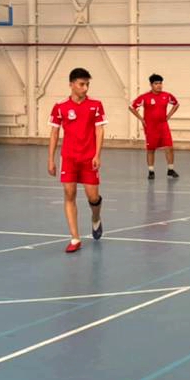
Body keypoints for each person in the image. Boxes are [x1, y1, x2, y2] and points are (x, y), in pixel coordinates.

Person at [48, 67, 106, 254]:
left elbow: (99, 130)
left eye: (87, 84)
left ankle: (95, 218)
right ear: (71, 85)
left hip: (89, 158)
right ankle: (75, 238)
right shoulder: (60, 107)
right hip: (69, 158)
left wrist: (97, 155)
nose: (85, 88)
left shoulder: (96, 105)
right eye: (82, 84)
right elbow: (54, 133)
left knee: (93, 197)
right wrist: (51, 159)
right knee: (69, 194)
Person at [129, 73, 179, 179]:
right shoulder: (145, 97)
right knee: (151, 149)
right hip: (151, 127)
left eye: (160, 83)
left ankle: (170, 170)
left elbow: (176, 104)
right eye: (156, 83)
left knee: (169, 147)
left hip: (163, 126)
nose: (159, 85)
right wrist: (141, 119)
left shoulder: (167, 95)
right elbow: (131, 107)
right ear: (151, 85)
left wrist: (168, 116)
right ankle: (151, 171)